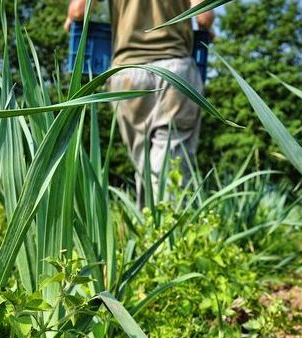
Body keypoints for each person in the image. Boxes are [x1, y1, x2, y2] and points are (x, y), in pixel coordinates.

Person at [65, 0, 214, 204]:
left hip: (128, 73)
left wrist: (69, 20)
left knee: (142, 159)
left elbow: (77, 11)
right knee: (172, 155)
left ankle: (147, 221)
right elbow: (204, 17)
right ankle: (168, 224)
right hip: (175, 69)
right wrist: (208, 30)